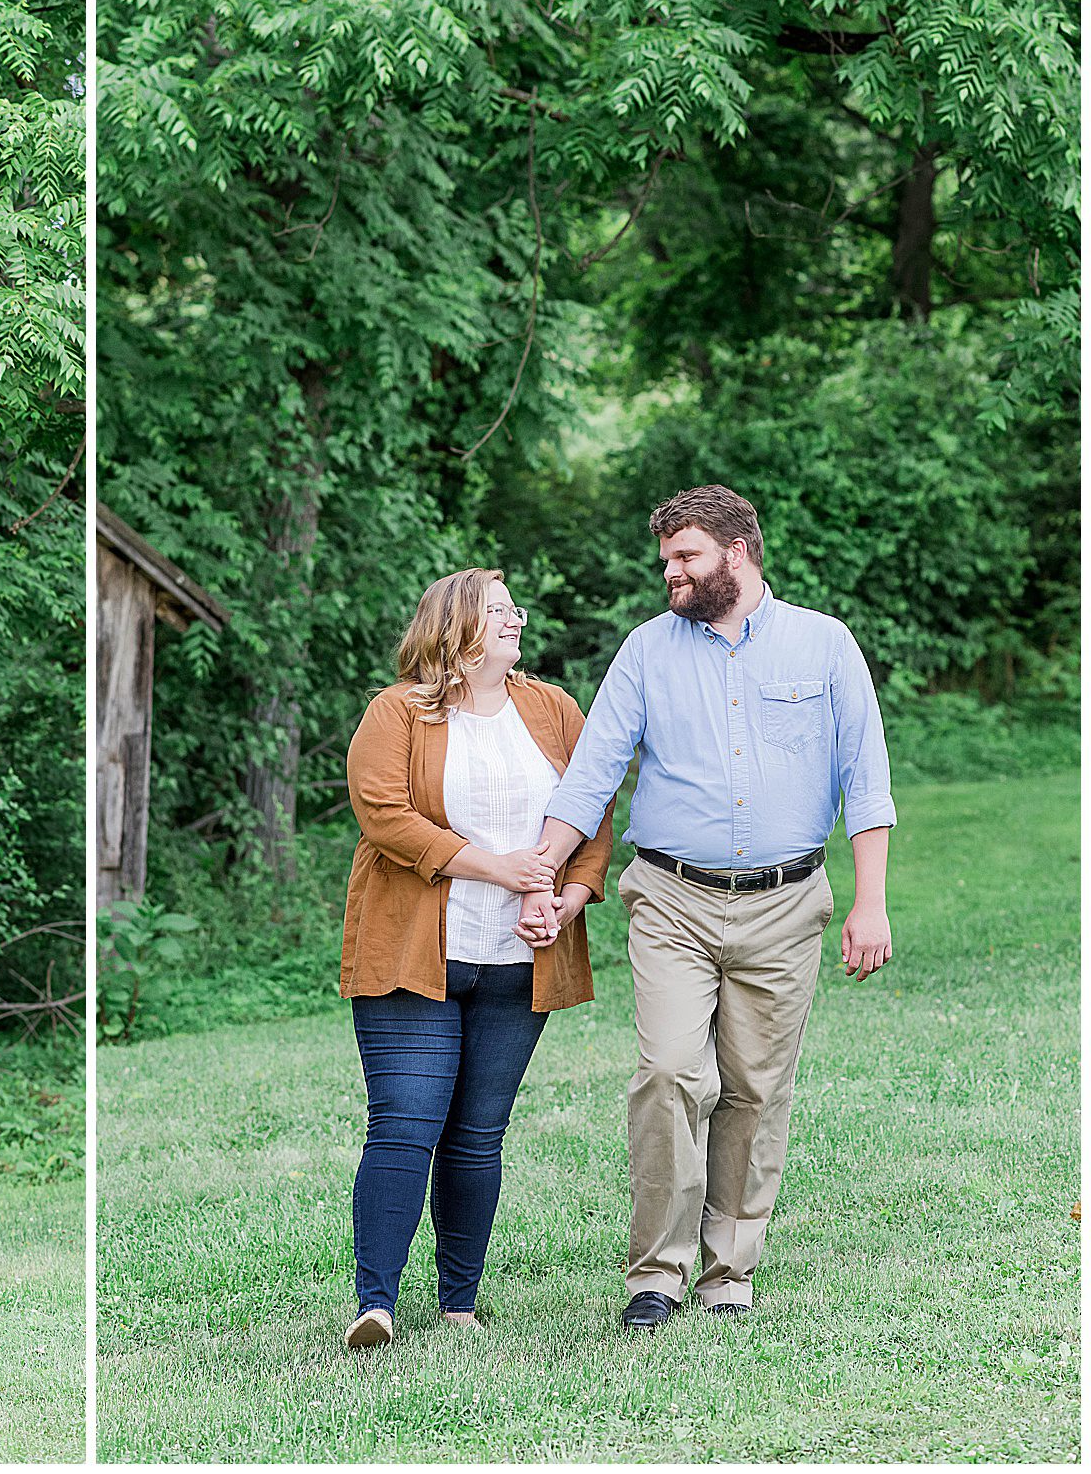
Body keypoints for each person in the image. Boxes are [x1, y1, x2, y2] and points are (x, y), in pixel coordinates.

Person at [522, 483, 895, 1329]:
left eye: (685, 557)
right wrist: (544, 866)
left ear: (739, 552)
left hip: (786, 903)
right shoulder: (648, 651)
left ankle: (729, 1270)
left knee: (755, 1090)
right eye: (666, 561)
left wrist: (869, 902)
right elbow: (592, 771)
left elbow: (865, 779)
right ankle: (656, 1271)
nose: (671, 575)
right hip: (672, 900)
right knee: (668, 1075)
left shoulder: (824, 646)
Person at [337, 568, 614, 1348]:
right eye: (499, 611)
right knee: (404, 1123)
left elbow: (592, 804)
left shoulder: (551, 707)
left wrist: (573, 894)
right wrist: (499, 868)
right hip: (413, 954)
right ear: (455, 626)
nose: (515, 621)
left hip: (518, 960)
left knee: (477, 1134)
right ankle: (377, 1305)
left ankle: (458, 1303)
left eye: (514, 610)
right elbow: (384, 815)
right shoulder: (398, 712)